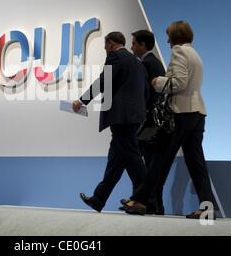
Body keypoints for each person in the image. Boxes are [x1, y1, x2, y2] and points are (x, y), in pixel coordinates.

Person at [125, 21, 217, 219]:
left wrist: (157, 82)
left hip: (182, 113)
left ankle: (140, 201)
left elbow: (179, 83)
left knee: (159, 159)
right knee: (196, 163)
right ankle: (207, 208)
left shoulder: (179, 52)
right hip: (197, 111)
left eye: (168, 35)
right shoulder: (195, 54)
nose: (166, 40)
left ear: (175, 36)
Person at [72, 31, 149, 212]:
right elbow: (145, 93)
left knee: (133, 157)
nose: (105, 49)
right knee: (115, 160)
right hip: (134, 115)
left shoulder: (115, 56)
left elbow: (104, 81)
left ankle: (147, 199)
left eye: (105, 46)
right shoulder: (138, 63)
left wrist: (82, 100)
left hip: (121, 116)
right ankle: (98, 199)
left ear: (112, 44)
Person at [119, 30, 166, 215]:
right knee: (148, 164)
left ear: (143, 45)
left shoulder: (146, 64)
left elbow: (146, 95)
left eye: (134, 43)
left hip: (148, 121)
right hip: (154, 121)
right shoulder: (155, 63)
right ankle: (146, 201)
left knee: (144, 164)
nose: (131, 47)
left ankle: (145, 202)